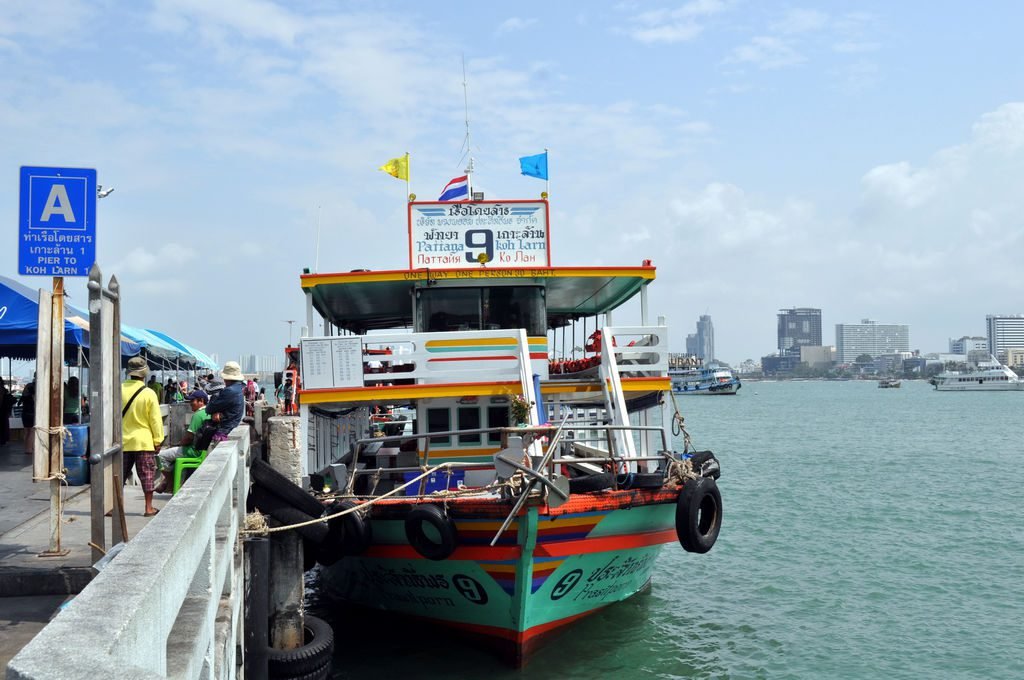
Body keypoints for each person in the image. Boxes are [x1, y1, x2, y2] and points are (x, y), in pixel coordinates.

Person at [122, 356, 164, 516]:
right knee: (147, 475)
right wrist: (158, 440)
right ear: (144, 374)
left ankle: (114, 508)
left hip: (123, 441)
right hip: (143, 441)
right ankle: (148, 508)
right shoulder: (149, 393)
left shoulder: (119, 389)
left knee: (119, 476)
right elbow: (155, 419)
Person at [154, 389, 210, 494]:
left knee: (160, 456)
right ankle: (166, 483)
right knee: (173, 457)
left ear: (201, 401)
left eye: (192, 401)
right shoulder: (209, 413)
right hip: (203, 451)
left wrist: (179, 444)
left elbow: (189, 437)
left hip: (192, 451)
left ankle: (170, 484)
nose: (190, 403)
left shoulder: (198, 415)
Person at [205, 361, 245, 445]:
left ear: (226, 378)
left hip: (225, 430)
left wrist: (215, 396)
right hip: (232, 426)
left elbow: (209, 409)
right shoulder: (239, 388)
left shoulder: (229, 391)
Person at [19, 378, 35, 454]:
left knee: (26, 431)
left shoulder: (23, 397)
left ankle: (26, 447)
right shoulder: (33, 397)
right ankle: (30, 449)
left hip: (24, 414)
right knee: (32, 431)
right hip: (32, 414)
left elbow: (19, 404)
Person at [0, 382, 13, 447]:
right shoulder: (4, 390)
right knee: (3, 425)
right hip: (4, 410)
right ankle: (3, 440)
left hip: (2, 410)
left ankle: (2, 440)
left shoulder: (2, 390)